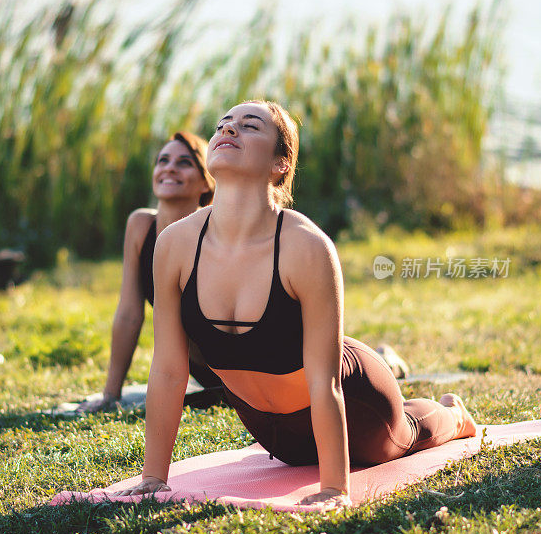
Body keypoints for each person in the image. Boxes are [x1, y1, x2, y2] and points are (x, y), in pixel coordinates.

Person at [114, 99, 476, 508]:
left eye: (249, 126)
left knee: (404, 437)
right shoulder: (175, 245)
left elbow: (327, 383)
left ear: (280, 164)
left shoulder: (305, 245)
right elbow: (167, 369)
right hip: (270, 431)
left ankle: (454, 414)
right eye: (223, 124)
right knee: (295, 459)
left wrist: (335, 489)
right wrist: (152, 479)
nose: (229, 130)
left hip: (354, 402)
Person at [79, 131, 222, 413]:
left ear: (206, 181)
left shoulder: (217, 230)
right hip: (201, 374)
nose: (169, 167)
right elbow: (129, 313)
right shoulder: (140, 225)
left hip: (243, 369)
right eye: (163, 160)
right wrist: (110, 394)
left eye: (184, 163)